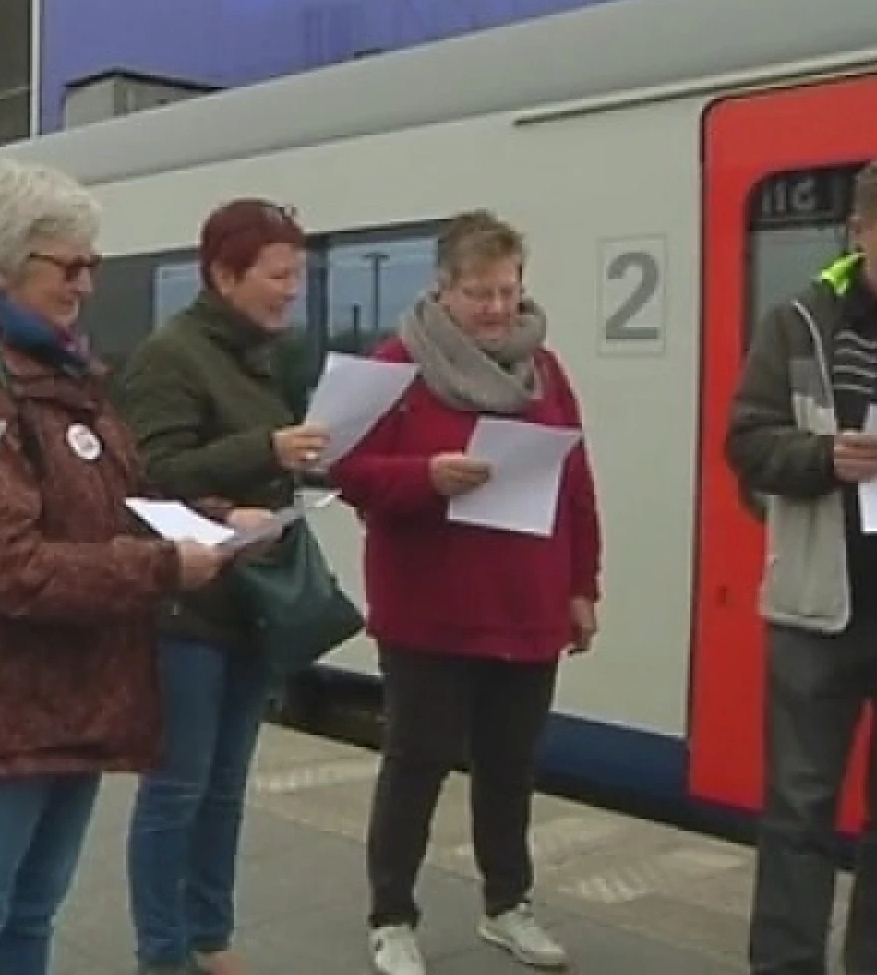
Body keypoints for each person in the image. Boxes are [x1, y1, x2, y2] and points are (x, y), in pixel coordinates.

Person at [0, 159, 255, 975]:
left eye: (90, 264)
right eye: (71, 266)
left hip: (76, 695)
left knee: (30, 920)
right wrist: (163, 569)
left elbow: (118, 498)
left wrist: (216, 522)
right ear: (2, 267)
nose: (88, 284)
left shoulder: (66, 372)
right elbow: (9, 566)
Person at [327, 210, 600, 975]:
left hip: (528, 602)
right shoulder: (395, 367)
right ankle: (391, 915)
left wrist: (583, 586)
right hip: (429, 610)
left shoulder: (545, 371)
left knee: (511, 767)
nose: (495, 308)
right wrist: (426, 478)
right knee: (415, 762)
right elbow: (346, 472)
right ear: (442, 290)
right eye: (479, 292)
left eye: (507, 291)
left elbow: (576, 485)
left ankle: (508, 906)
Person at [110, 198, 326, 975]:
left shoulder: (260, 356)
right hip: (186, 610)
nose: (291, 290)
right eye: (278, 275)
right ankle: (162, 951)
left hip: (248, 599)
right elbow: (151, 475)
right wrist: (264, 448)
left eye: (297, 275)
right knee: (177, 790)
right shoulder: (171, 357)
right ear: (224, 274)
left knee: (227, 787)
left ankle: (210, 934)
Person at [725, 155, 877, 975]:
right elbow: (748, 443)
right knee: (799, 812)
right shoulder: (799, 324)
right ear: (858, 232)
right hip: (819, 609)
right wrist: (827, 456)